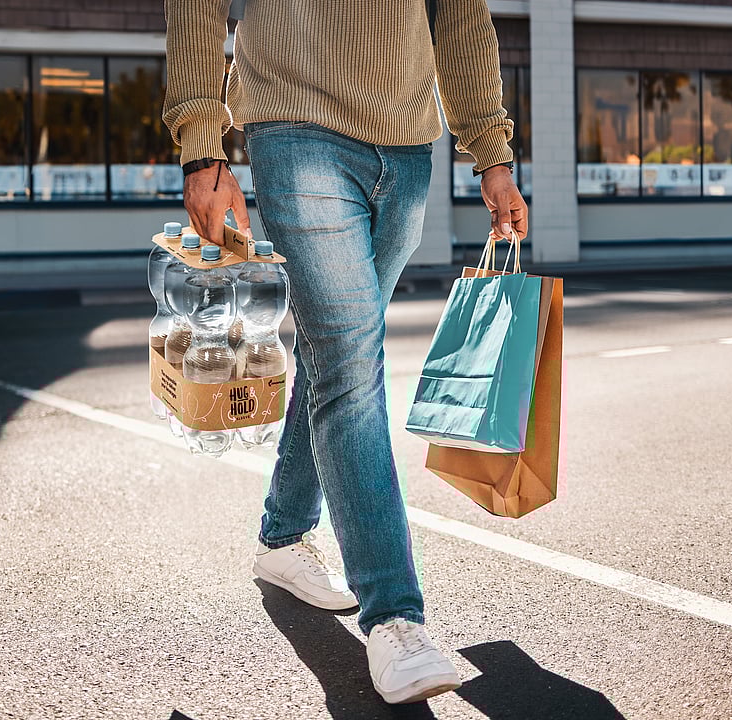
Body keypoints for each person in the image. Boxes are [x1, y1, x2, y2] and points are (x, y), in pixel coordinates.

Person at [163, 0, 528, 705]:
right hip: (295, 126)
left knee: (340, 358)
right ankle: (395, 617)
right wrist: (203, 144)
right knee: (353, 365)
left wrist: (493, 153)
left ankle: (282, 537)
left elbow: (459, 17)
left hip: (407, 147)